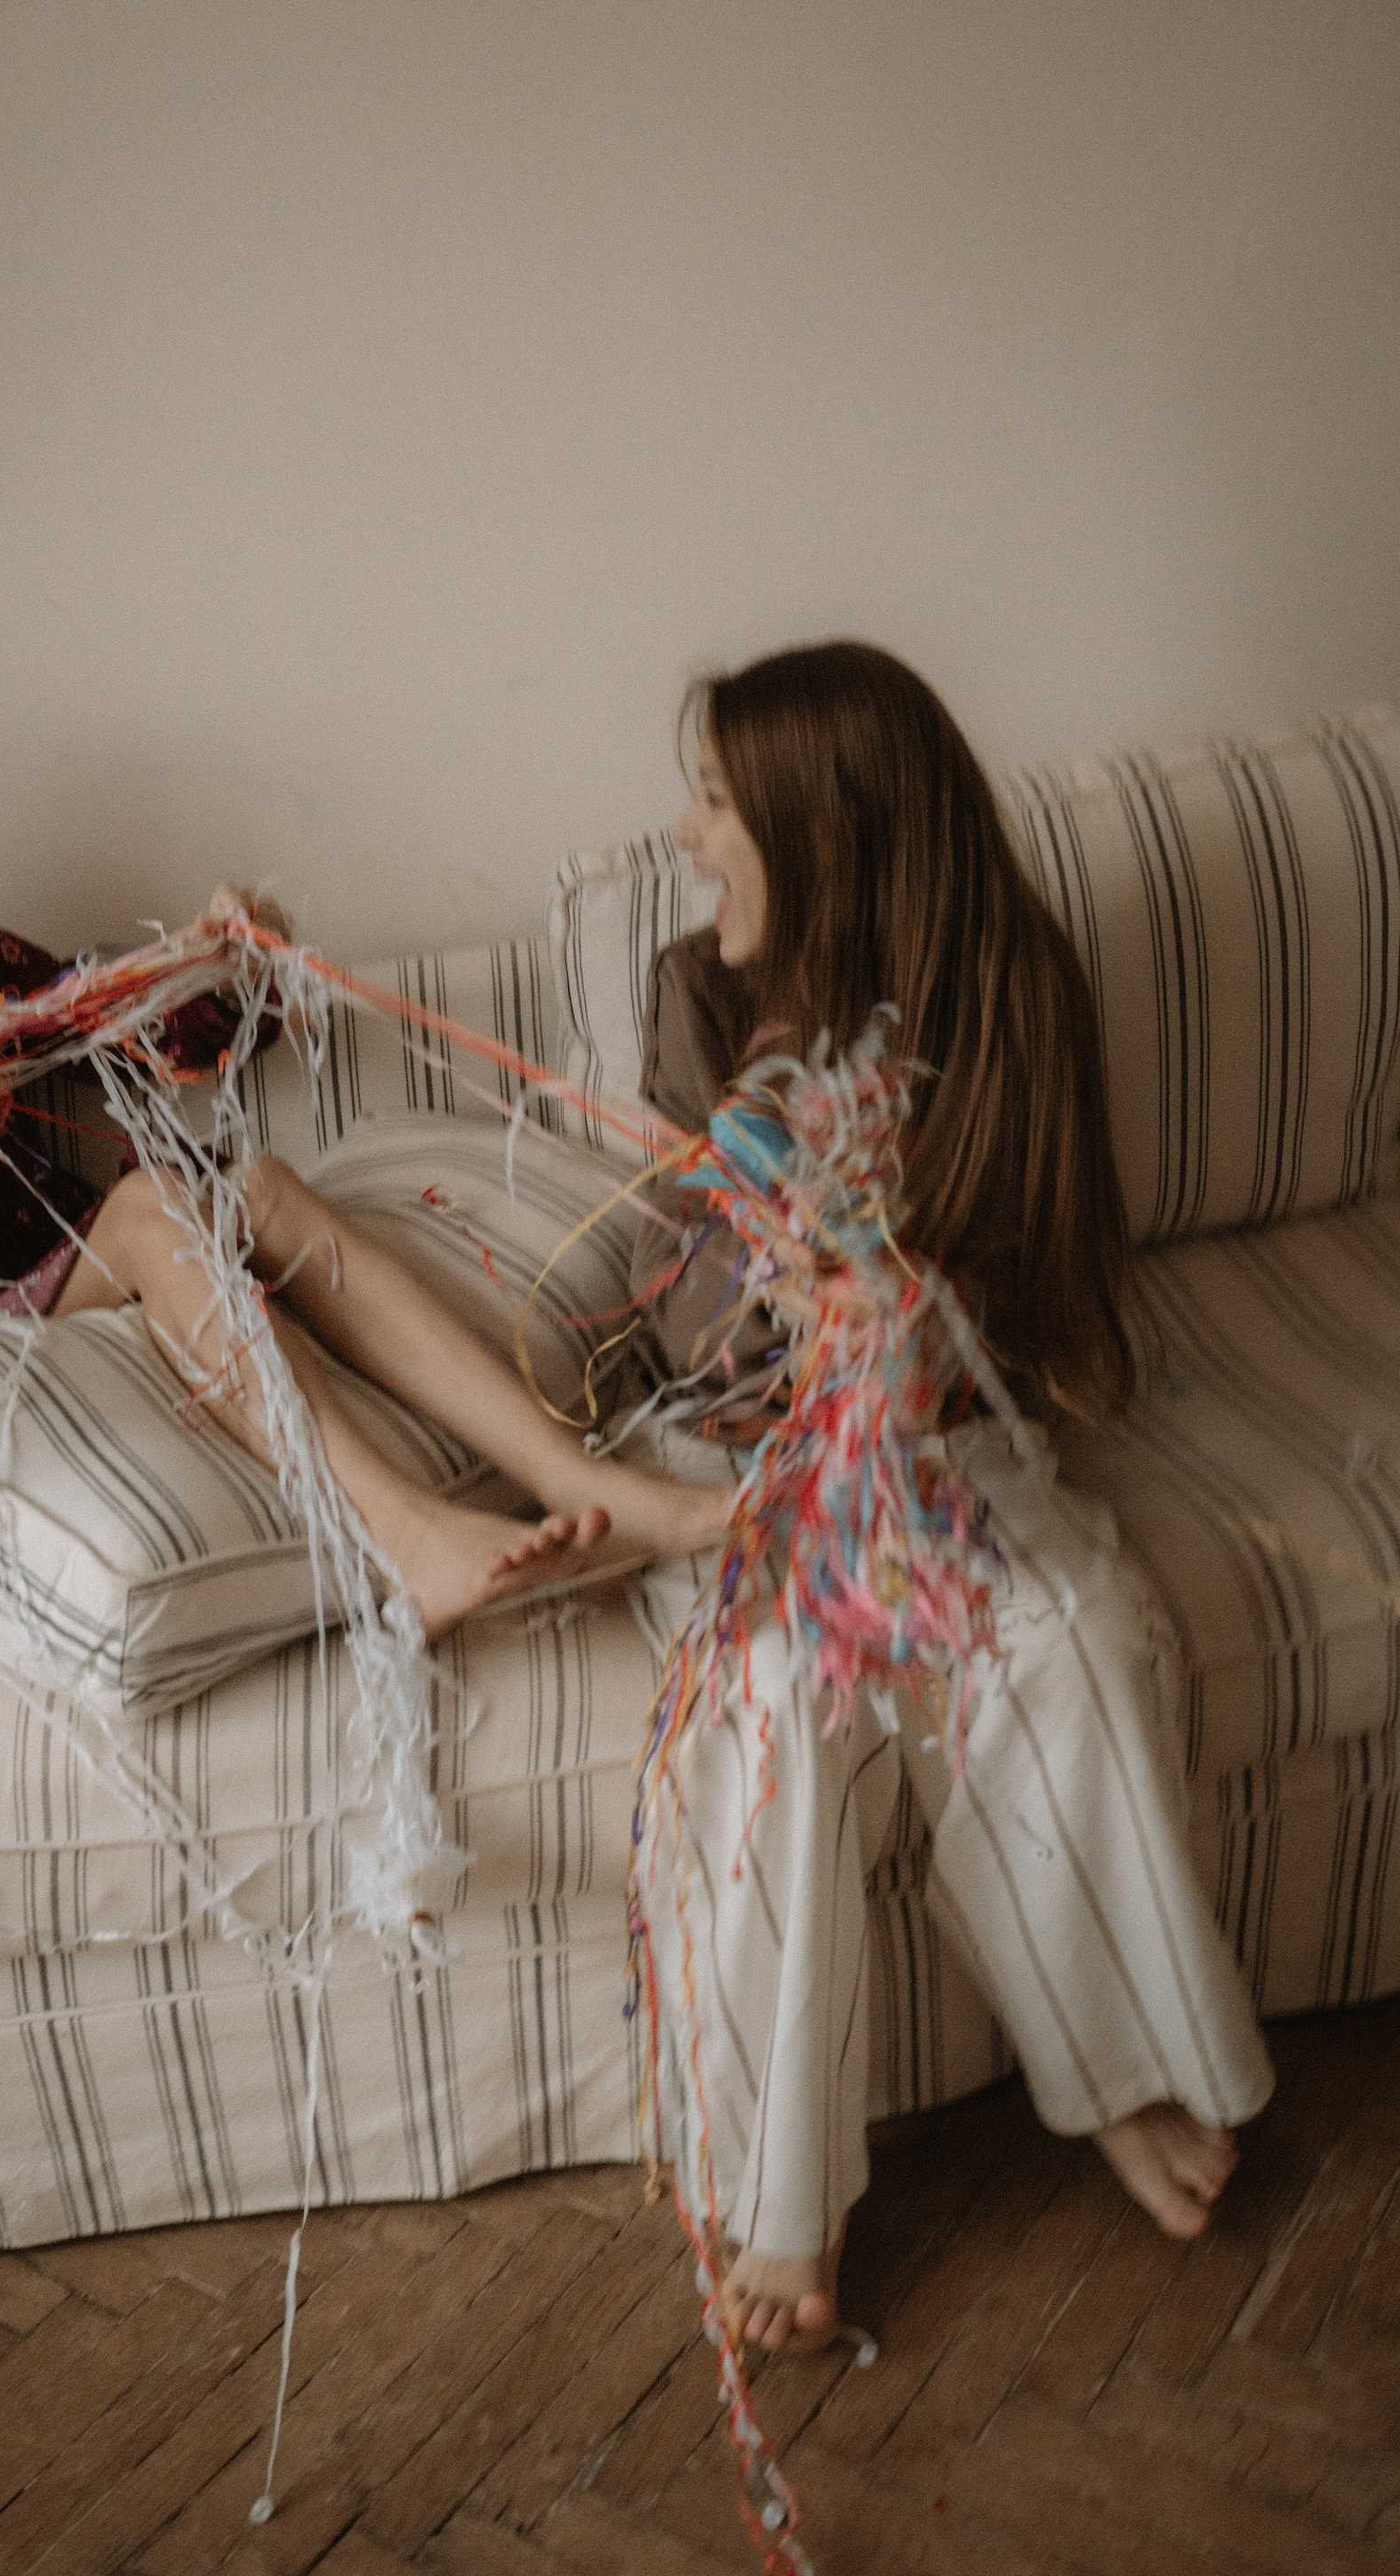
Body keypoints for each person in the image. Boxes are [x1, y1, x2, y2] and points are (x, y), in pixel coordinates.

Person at [627, 644, 1274, 2354]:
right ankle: (786, 2199)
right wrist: (779, 1287)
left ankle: (1121, 2077)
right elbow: (675, 1318)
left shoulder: (1013, 995)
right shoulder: (693, 997)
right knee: (777, 1690)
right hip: (743, 1461)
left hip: (949, 1446)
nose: (687, 834)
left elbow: (1059, 1308)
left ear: (821, 829)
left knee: (1068, 1637)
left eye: (717, 799)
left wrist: (916, 1320)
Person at [0, 738, 725, 1639]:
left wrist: (225, 961)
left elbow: (152, 1036)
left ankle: (581, 1482)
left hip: (72, 1266)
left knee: (253, 1185)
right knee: (152, 1207)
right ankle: (408, 1539)